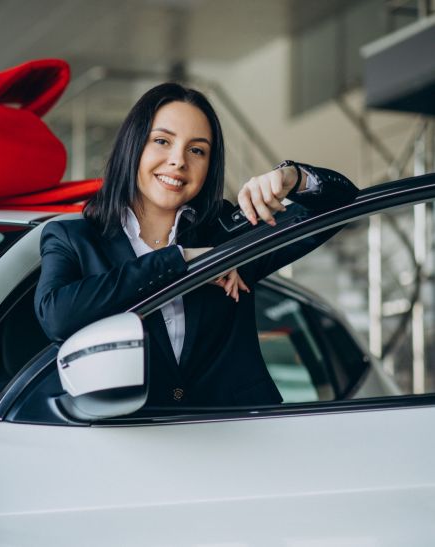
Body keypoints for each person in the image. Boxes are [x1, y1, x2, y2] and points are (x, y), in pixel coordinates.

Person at [34, 82, 358, 406]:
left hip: (243, 438)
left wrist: (294, 177)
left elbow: (338, 208)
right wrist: (182, 259)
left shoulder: (226, 230)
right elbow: (58, 317)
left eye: (197, 150)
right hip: (132, 444)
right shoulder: (73, 238)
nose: (178, 161)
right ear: (133, 146)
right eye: (162, 141)